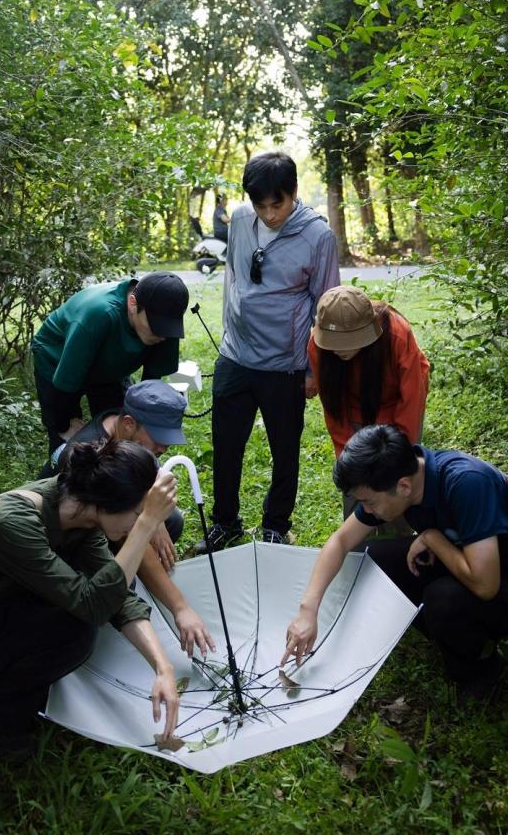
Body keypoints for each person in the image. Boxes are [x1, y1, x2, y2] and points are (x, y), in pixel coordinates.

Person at [0, 439, 181, 761]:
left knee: (84, 611)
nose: (137, 524)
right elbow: (92, 605)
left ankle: (20, 680)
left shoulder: (82, 514)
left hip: (9, 610)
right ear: (105, 501)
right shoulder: (13, 523)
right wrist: (144, 529)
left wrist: (163, 667)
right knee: (76, 629)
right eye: (137, 513)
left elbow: (117, 598)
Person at [281, 425, 508, 692]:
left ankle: (479, 666)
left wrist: (432, 538)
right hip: (470, 558)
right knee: (374, 558)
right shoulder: (405, 476)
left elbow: (486, 586)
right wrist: (308, 611)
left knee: (443, 599)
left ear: (403, 486)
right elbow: (341, 541)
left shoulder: (467, 483)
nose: (366, 510)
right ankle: (449, 630)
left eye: (370, 502)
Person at [197, 151, 339, 553]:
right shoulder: (242, 219)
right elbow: (234, 277)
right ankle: (226, 521)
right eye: (261, 205)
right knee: (226, 445)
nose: (269, 214)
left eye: (277, 204)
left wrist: (313, 368)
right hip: (235, 358)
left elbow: (325, 304)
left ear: (293, 193)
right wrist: (231, 330)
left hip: (284, 365)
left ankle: (276, 524)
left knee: (284, 449)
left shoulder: (318, 237)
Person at [40, 380, 215, 659]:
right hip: (65, 538)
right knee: (124, 582)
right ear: (130, 423)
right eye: (158, 437)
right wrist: (180, 607)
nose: (164, 447)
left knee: (172, 521)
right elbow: (129, 532)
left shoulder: (121, 429)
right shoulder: (90, 451)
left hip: (107, 518)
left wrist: (155, 520)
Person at [31, 272, 189, 456]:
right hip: (57, 358)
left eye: (166, 329)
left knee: (119, 429)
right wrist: (66, 421)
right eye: (155, 326)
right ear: (132, 304)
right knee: (68, 440)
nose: (161, 335)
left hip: (108, 366)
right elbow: (65, 381)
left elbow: (150, 387)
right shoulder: (99, 314)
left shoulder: (164, 321)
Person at [307, 285, 429, 520]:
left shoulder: (397, 335)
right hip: (354, 408)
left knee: (398, 480)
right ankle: (357, 545)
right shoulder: (318, 345)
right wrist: (348, 456)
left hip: (397, 405)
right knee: (356, 483)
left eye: (348, 341)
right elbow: (334, 408)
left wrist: (398, 455)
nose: (338, 349)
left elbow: (411, 398)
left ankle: (401, 538)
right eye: (334, 341)